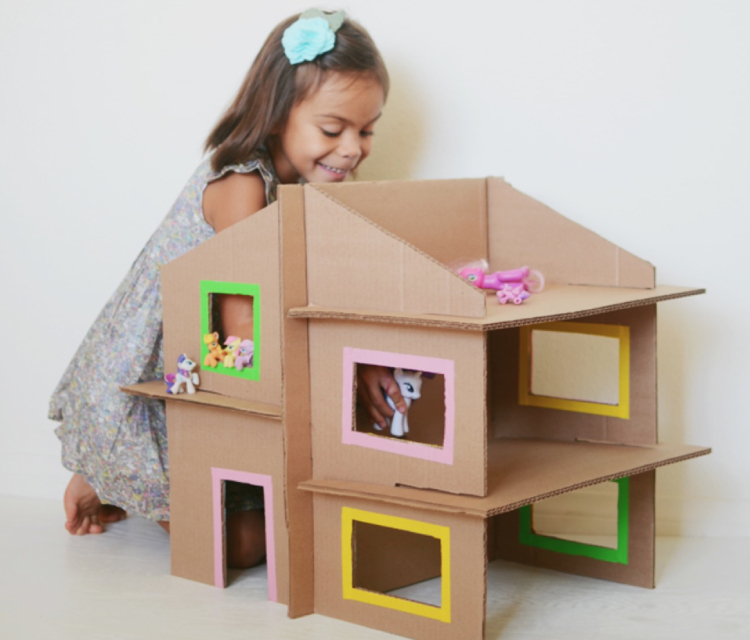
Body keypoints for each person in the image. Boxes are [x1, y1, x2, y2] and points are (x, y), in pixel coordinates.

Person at [48, 9, 405, 568]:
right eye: (334, 129)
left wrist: (371, 355)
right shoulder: (242, 185)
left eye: (368, 129)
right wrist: (346, 371)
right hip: (156, 384)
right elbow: (241, 334)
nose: (354, 148)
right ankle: (104, 473)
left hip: (220, 374)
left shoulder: (310, 187)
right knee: (237, 548)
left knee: (286, 511)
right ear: (276, 113)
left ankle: (114, 479)